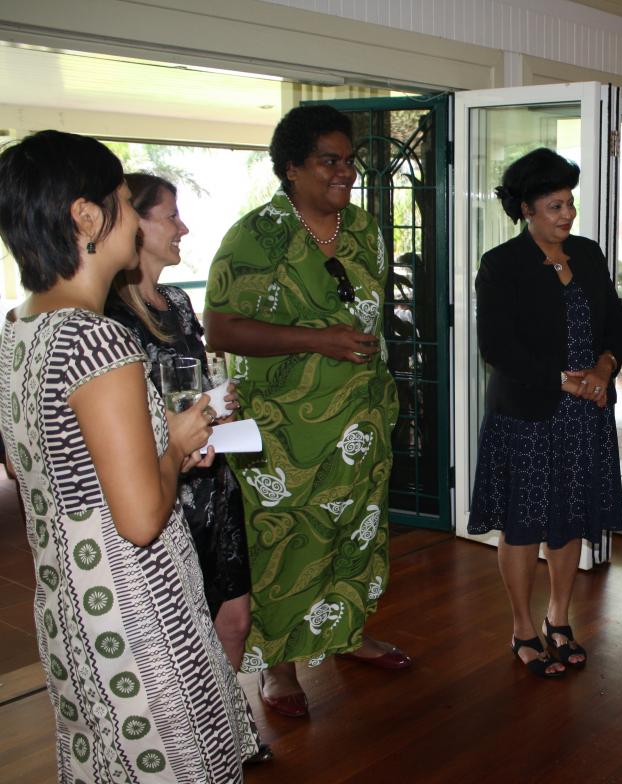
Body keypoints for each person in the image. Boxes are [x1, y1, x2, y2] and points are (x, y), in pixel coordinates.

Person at [0, 130, 258, 782]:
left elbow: (39, 469)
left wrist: (155, 448)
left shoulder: (21, 327)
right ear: (85, 216)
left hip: (69, 606)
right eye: (121, 199)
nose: (137, 223)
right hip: (138, 613)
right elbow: (142, 519)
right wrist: (172, 444)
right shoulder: (97, 342)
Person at [204, 104, 405, 719]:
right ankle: (279, 667)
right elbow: (220, 328)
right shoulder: (256, 235)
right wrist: (317, 340)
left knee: (355, 534)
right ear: (292, 168)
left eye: (350, 161)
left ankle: (346, 634)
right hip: (285, 435)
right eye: (330, 160)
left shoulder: (365, 228)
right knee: (284, 543)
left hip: (359, 423)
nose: (345, 172)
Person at [469, 148, 622, 678]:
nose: (567, 215)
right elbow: (498, 347)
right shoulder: (501, 265)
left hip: (585, 412)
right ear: (526, 210)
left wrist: (605, 369)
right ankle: (522, 626)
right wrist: (566, 381)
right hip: (528, 415)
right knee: (522, 527)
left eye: (569, 204)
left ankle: (559, 618)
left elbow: (616, 325)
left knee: (568, 519)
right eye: (555, 206)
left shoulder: (587, 254)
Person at [107, 173, 255, 672]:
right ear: (135, 224)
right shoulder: (108, 321)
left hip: (214, 481)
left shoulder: (177, 303)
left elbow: (195, 385)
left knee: (235, 620)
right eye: (170, 215)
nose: (183, 228)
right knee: (183, 636)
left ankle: (233, 733)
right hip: (167, 493)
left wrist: (217, 401)